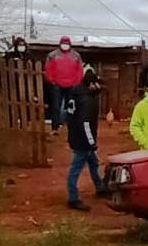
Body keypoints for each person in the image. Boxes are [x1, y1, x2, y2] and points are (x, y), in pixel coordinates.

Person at [67, 68, 107, 211]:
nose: (99, 87)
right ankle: (73, 199)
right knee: (76, 169)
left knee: (94, 163)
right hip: (83, 140)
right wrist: (91, 143)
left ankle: (100, 188)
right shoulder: (86, 100)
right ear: (91, 84)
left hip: (75, 135)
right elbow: (85, 123)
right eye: (97, 84)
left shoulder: (75, 94)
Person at [44, 37, 83, 132]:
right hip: (57, 85)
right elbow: (48, 69)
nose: (65, 45)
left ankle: (72, 126)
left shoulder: (76, 56)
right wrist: (52, 81)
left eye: (67, 43)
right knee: (56, 106)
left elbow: (80, 70)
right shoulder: (52, 55)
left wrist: (76, 83)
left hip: (72, 85)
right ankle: (55, 127)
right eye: (63, 43)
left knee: (71, 107)